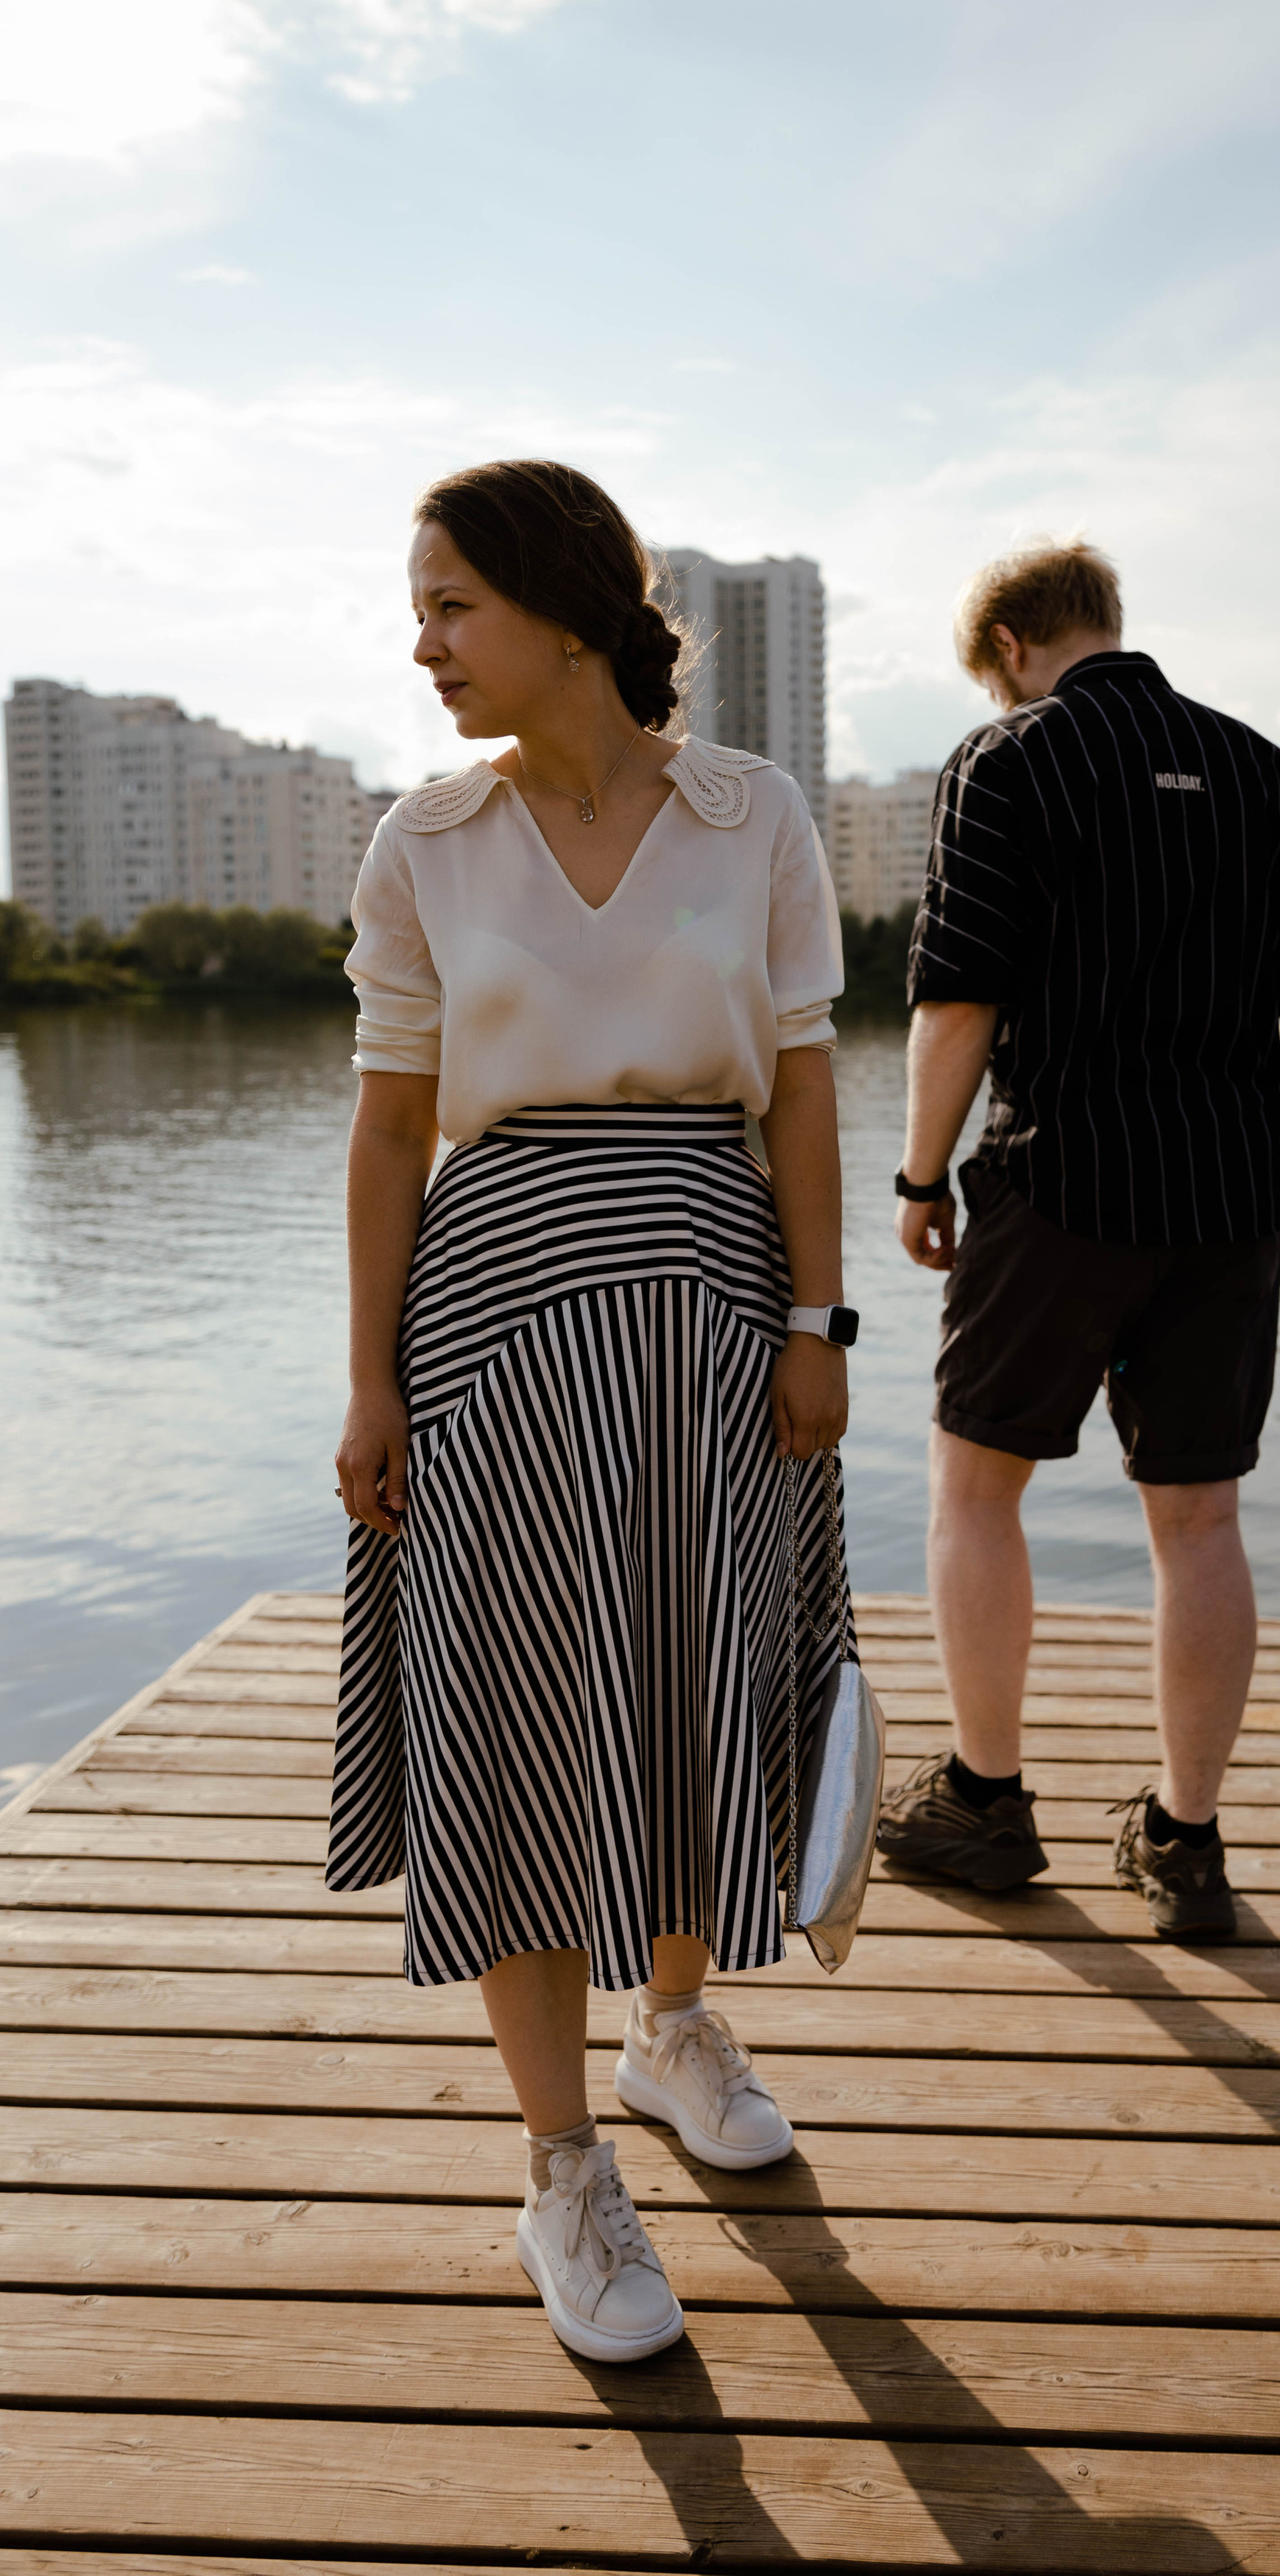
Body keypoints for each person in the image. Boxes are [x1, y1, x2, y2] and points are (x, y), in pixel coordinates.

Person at [328, 459, 859, 2364]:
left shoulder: (752, 814)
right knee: (532, 1710)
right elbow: (393, 1125)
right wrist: (371, 1373)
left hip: (720, 1292)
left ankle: (674, 2023)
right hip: (494, 1305)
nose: (423, 644)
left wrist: (821, 1318)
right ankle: (560, 2160)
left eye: (451, 604)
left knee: (696, 1671)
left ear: (564, 608)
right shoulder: (426, 840)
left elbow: (799, 1085)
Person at [877, 540, 1280, 1941]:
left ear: (1018, 642)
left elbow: (956, 1003)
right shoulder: (1270, 774)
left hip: (1063, 1179)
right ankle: (1188, 1843)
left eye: (996, 670)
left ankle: (982, 1802)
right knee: (1201, 1517)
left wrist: (921, 1178)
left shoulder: (1007, 761)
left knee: (978, 1490)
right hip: (1223, 1196)